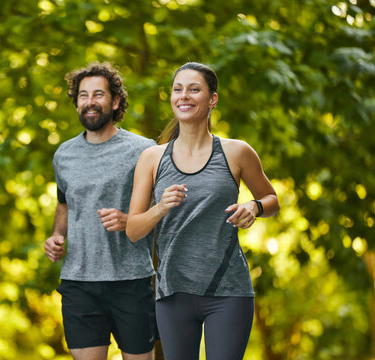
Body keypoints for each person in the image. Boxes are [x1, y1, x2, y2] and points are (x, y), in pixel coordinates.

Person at [126, 62, 280, 360]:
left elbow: (271, 199)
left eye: (194, 89)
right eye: (177, 89)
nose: (184, 96)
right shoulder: (152, 158)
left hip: (228, 291)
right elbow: (133, 230)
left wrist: (254, 206)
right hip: (173, 294)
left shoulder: (237, 152)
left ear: (212, 99)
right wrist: (160, 208)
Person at [44, 62, 157, 360]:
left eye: (98, 94)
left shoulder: (144, 150)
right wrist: (56, 235)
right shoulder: (64, 154)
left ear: (115, 101)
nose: (90, 102)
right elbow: (64, 203)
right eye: (83, 95)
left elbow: (164, 209)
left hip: (131, 280)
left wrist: (129, 221)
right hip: (79, 282)